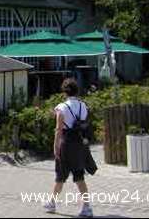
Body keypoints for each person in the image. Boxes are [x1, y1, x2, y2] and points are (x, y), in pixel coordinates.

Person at [44, 78, 93, 218]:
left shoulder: (62, 107)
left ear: (64, 92)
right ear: (77, 91)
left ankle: (52, 203)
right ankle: (87, 207)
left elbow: (58, 129)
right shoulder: (83, 106)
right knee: (79, 176)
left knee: (60, 176)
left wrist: (55, 146)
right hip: (79, 143)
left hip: (65, 144)